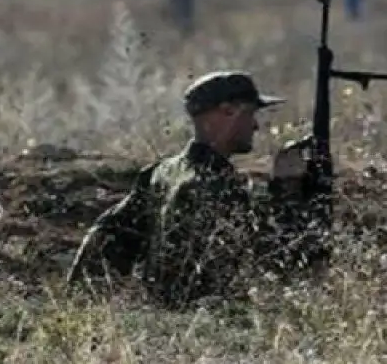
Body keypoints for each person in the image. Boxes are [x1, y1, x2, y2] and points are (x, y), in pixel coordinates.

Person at [65, 70, 325, 307]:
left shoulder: (162, 173)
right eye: (250, 114)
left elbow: (104, 237)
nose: (255, 126)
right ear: (227, 111)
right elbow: (277, 261)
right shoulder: (214, 185)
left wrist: (80, 307)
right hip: (206, 323)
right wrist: (287, 188)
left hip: (165, 322)